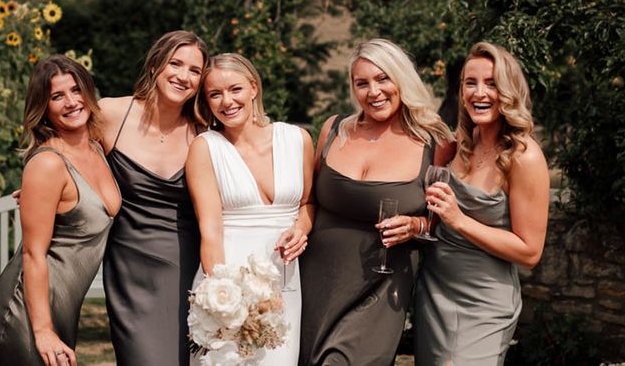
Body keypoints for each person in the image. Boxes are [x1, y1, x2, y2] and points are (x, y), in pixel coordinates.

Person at [298, 38, 452, 366]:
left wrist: (417, 224)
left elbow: (445, 216)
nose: (373, 91)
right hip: (316, 282)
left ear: (401, 80)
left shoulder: (434, 140)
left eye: (383, 79)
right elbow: (309, 200)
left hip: (381, 288)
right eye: (362, 83)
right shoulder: (334, 129)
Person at [414, 42, 550, 366]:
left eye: (492, 84)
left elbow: (530, 252)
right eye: (470, 83)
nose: (480, 93)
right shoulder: (460, 143)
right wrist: (417, 225)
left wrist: (460, 220)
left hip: (482, 302)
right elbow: (433, 217)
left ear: (510, 91)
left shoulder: (524, 156)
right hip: (433, 292)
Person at [0, 55, 121, 366]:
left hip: (62, 308)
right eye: (57, 96)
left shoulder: (97, 146)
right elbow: (34, 254)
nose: (71, 102)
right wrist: (42, 330)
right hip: (25, 310)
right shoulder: (47, 163)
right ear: (43, 106)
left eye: (76, 90)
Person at [186, 53, 315, 365]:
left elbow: (308, 203)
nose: (226, 101)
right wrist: (223, 302)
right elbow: (211, 230)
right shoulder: (206, 147)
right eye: (215, 94)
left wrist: (301, 229)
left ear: (254, 87)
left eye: (235, 89)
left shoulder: (297, 139)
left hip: (283, 284)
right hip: (227, 284)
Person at [99, 31, 208, 366]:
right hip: (130, 271)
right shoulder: (110, 115)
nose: (183, 76)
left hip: (189, 269)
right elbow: (70, 152)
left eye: (194, 70)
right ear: (155, 65)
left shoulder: (204, 132)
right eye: (175, 63)